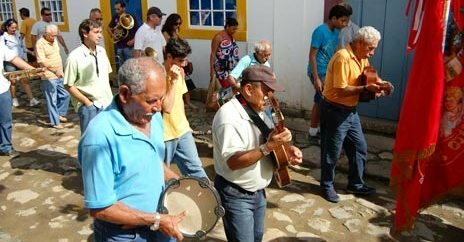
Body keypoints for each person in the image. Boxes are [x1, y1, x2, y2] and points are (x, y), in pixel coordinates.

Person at [78, 57, 185, 242]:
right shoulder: (99, 137)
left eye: (160, 98)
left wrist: (180, 183)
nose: (159, 107)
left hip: (160, 226)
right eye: (151, 100)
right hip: (126, 236)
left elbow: (150, 160)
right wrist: (155, 219)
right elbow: (100, 208)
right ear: (125, 94)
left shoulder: (151, 116)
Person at [212, 65, 303, 241]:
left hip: (258, 192)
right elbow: (233, 161)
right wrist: (267, 147)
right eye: (267, 91)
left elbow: (269, 137)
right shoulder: (229, 118)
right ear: (248, 89)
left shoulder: (259, 108)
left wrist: (287, 148)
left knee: (257, 237)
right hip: (236, 194)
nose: (271, 97)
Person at [320, 26, 386, 203]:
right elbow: (341, 90)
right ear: (359, 43)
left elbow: (369, 75)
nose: (372, 53)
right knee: (331, 152)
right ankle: (326, 185)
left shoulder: (361, 57)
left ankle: (355, 184)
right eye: (370, 48)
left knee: (359, 148)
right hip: (334, 110)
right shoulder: (342, 57)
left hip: (350, 111)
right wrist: (366, 89)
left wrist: (381, 85)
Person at [162, 38, 207, 178]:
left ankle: (209, 198)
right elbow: (167, 107)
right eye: (181, 61)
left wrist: (185, 124)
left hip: (182, 131)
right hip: (164, 135)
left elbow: (179, 101)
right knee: (161, 176)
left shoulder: (180, 71)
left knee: (196, 170)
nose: (184, 64)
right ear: (169, 57)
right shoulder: (158, 75)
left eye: (185, 60)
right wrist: (173, 81)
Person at [307, 5, 351, 138]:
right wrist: (316, 78)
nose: (346, 24)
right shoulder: (320, 31)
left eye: (347, 20)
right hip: (319, 72)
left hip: (328, 71)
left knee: (320, 102)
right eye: (343, 20)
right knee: (327, 102)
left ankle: (313, 131)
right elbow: (312, 56)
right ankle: (323, 132)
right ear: (333, 18)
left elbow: (335, 51)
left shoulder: (337, 32)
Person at [64, 19, 113, 134]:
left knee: (106, 139)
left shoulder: (102, 51)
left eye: (100, 32)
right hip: (90, 106)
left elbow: (105, 77)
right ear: (85, 34)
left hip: (106, 103)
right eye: (96, 32)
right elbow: (68, 84)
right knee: (89, 142)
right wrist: (87, 102)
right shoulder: (74, 57)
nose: (100, 36)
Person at [0, 31, 41, 158]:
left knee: (6, 121)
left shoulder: (0, 45)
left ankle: (6, 146)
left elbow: (14, 58)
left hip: (2, 89)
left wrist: (32, 70)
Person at [35, 24, 70, 129]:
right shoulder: (40, 44)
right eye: (52, 36)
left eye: (55, 35)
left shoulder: (54, 40)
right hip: (49, 75)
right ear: (46, 34)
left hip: (59, 73)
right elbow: (42, 61)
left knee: (66, 94)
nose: (54, 38)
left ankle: (59, 113)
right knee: (52, 99)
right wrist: (54, 71)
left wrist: (60, 70)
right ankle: (55, 122)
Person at [1, 18, 40, 107]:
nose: (14, 29)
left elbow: (22, 47)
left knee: (25, 79)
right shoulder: (3, 38)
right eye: (12, 28)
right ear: (7, 27)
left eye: (15, 27)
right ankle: (14, 98)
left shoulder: (17, 35)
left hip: (20, 59)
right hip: (9, 62)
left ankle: (31, 99)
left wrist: (30, 52)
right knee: (13, 81)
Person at [162, 14, 197, 110]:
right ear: (171, 23)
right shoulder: (165, 33)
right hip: (173, 60)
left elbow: (181, 48)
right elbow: (171, 47)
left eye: (179, 24)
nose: (178, 26)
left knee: (185, 81)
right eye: (176, 23)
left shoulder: (175, 32)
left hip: (179, 59)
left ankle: (187, 102)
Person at [210, 18, 239, 88]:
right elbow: (213, 54)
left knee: (232, 89)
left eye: (236, 29)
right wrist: (212, 70)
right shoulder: (218, 37)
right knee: (226, 89)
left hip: (232, 68)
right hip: (222, 69)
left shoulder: (231, 37)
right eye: (233, 29)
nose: (234, 31)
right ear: (227, 26)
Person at [107, 1, 138, 68]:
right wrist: (112, 35)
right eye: (115, 9)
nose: (116, 11)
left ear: (124, 8)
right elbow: (108, 28)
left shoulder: (131, 16)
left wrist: (133, 40)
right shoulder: (115, 17)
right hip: (119, 46)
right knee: (121, 67)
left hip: (129, 46)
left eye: (118, 9)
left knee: (130, 66)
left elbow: (138, 31)